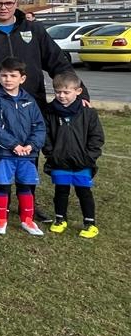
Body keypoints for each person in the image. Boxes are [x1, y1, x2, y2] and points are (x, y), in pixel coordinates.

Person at [0, 0, 82, 221]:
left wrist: (81, 93)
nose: (3, 7)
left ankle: (29, 206)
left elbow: (58, 62)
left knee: (29, 156)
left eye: (8, 3)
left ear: (16, 4)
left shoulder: (34, 30)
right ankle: (0, 207)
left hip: (31, 108)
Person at [0, 57, 47, 236]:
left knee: (25, 186)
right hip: (4, 153)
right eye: (4, 75)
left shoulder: (30, 100)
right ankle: (0, 219)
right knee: (2, 186)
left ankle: (28, 220)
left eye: (13, 75)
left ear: (22, 79)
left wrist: (31, 145)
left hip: (27, 154)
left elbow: (39, 126)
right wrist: (14, 145)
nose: (8, 79)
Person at [43, 72, 104, 239]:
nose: (61, 96)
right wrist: (51, 154)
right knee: (61, 191)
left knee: (84, 192)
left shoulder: (88, 112)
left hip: (82, 162)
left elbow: (97, 137)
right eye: (57, 92)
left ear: (78, 91)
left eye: (66, 92)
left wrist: (88, 157)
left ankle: (90, 223)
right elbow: (45, 134)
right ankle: (60, 219)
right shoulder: (49, 111)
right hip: (59, 161)